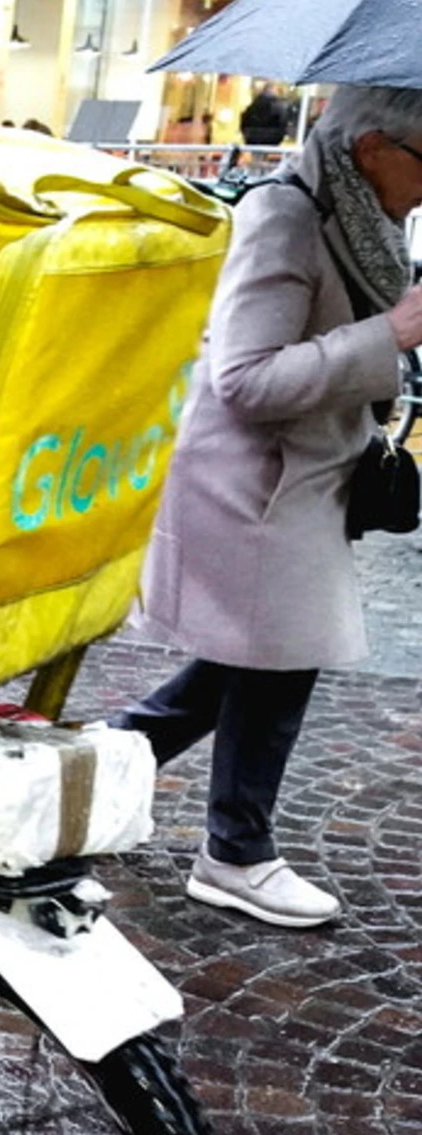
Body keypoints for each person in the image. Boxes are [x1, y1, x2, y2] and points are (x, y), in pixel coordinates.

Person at [113, 83, 422, 928]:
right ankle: (235, 852)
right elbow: (245, 380)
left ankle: (101, 767)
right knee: (278, 662)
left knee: (245, 665)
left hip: (301, 478)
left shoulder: (362, 217)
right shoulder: (286, 216)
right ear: (373, 151)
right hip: (254, 484)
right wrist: (389, 335)